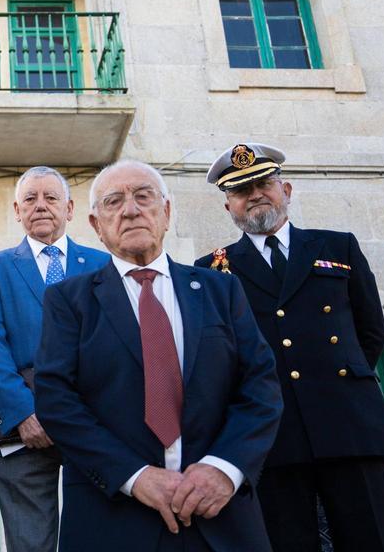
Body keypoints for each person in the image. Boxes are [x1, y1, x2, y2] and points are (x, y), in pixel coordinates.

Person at [35, 160, 281, 552]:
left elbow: (260, 387)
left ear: (166, 212)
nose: (130, 210)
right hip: (112, 517)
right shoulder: (68, 300)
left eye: (143, 196)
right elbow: (56, 399)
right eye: (114, 202)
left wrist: (224, 469)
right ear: (97, 226)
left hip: (219, 517)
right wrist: (134, 476)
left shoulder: (222, 291)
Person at [194, 143, 384, 552]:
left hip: (349, 425)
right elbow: (218, 357)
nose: (254, 194)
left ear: (286, 190)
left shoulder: (337, 247)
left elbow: (370, 333)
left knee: (371, 542)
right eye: (240, 190)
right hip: (273, 437)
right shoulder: (213, 270)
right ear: (228, 208)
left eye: (263, 183)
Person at [0, 166, 109, 552]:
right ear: (17, 211)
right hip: (23, 429)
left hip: (92, 421)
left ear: (69, 208)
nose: (41, 206)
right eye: (30, 199)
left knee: (98, 537)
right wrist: (22, 414)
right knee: (30, 543)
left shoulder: (102, 266)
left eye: (50, 198)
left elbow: (115, 345)